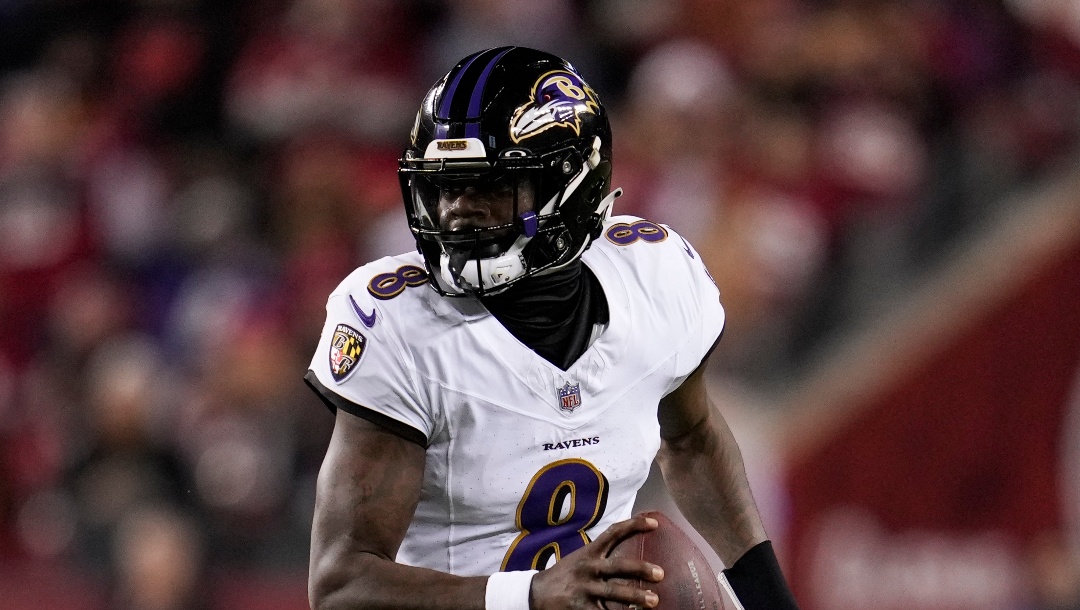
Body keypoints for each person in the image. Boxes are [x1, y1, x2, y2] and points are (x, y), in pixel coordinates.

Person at [303, 46, 799, 610]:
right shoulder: (398, 323)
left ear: (572, 187)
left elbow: (692, 442)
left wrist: (770, 600)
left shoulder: (652, 277)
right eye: (445, 187)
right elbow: (341, 585)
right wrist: (529, 595)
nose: (458, 211)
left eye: (492, 186)